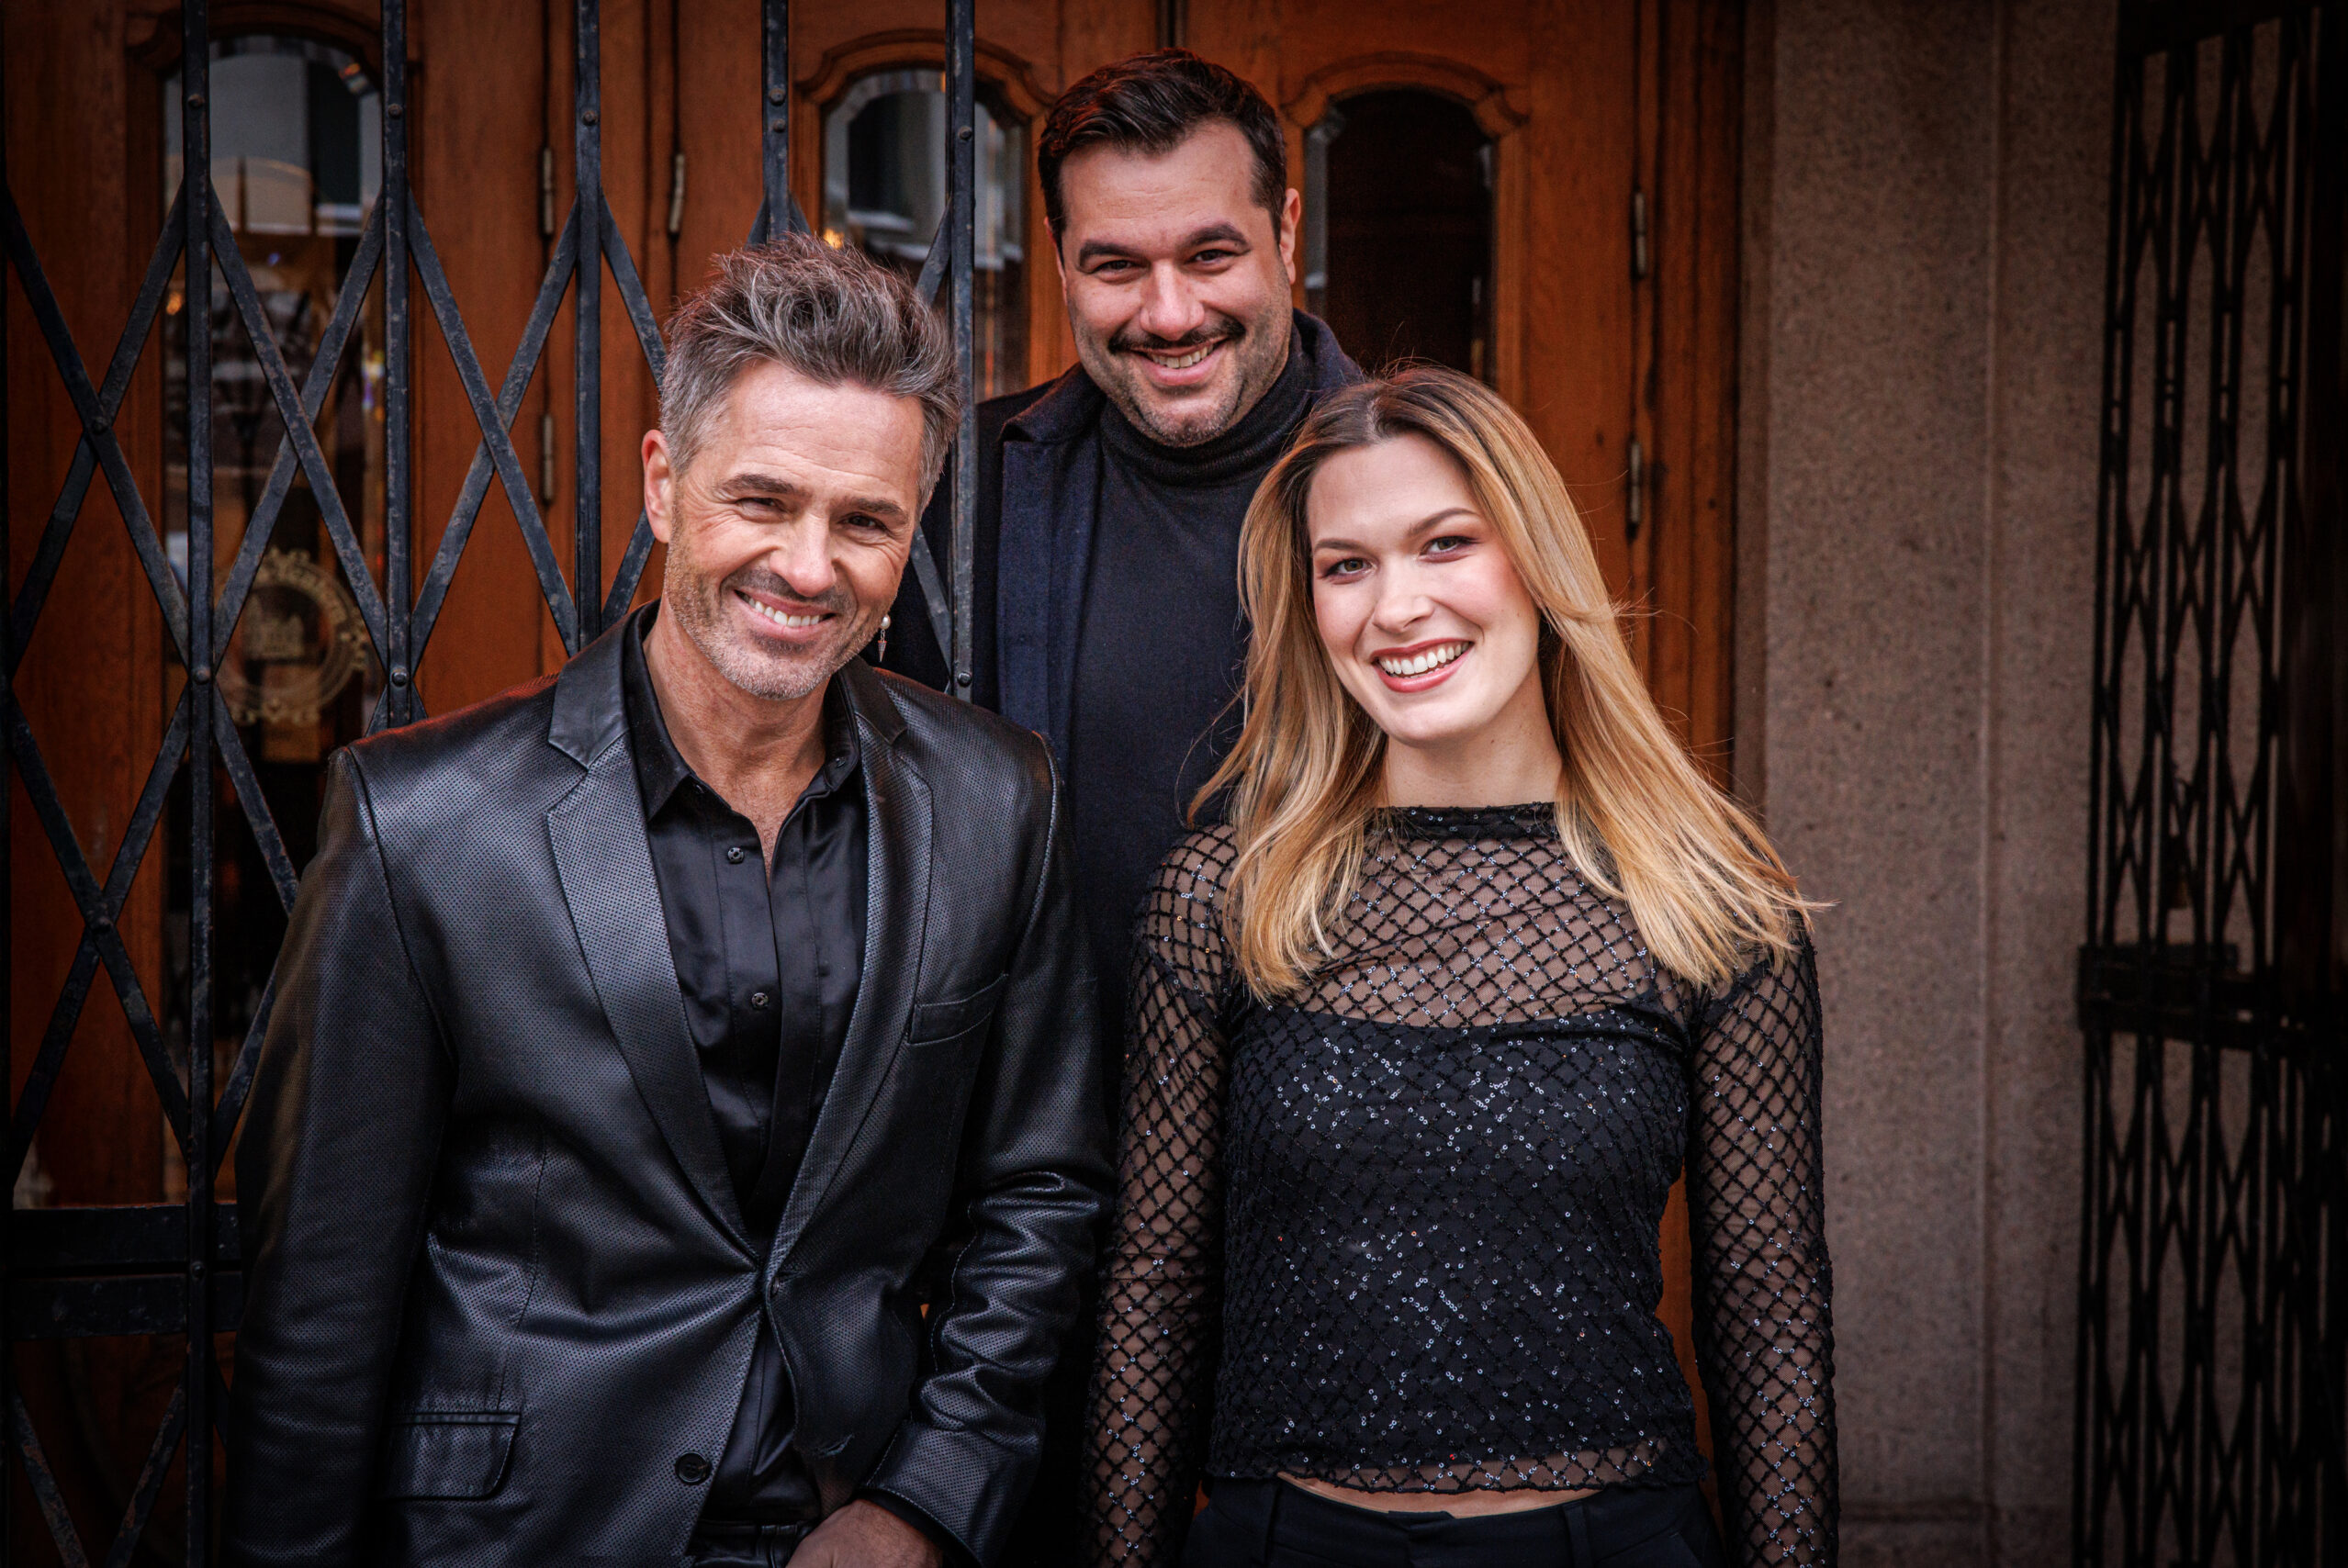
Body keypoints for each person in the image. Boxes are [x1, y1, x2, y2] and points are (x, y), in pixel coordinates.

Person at [226, 237, 1110, 1568]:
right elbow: (320, 1299)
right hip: (520, 1537)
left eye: (865, 522)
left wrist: (927, 1501)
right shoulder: (422, 822)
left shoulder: (997, 799)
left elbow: (1040, 1190)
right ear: (662, 483)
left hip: (847, 1525)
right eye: (762, 499)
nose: (808, 566)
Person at [1084, 368, 1838, 1567]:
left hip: (1610, 1547)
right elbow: (1156, 1285)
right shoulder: (1224, 899)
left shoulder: (1714, 907)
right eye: (1347, 566)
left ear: (1535, 562)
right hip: (1287, 1545)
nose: (1397, 607)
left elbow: (1769, 1310)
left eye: (1446, 544)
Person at [879, 57, 1358, 1558]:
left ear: (1287, 231)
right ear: (1059, 264)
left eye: (1211, 254)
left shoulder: (1428, 487)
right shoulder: (966, 492)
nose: (1168, 312)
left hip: (1353, 1235)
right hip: (1045, 1247)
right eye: (1114, 265)